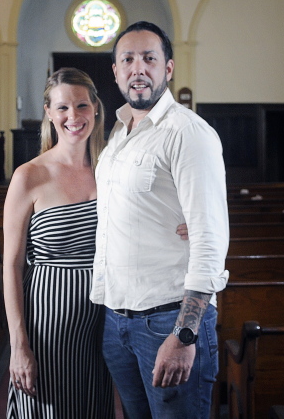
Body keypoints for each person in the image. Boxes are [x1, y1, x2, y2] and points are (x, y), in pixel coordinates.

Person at [91, 21, 230, 419]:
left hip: (169, 319)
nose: (139, 69)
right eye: (128, 60)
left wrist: (185, 335)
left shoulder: (187, 132)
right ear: (115, 71)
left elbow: (209, 238)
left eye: (149, 59)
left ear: (168, 68)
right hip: (117, 320)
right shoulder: (117, 134)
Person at [2, 67, 115, 419]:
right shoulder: (29, 175)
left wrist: (185, 223)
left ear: (95, 108)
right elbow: (11, 265)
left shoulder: (112, 168)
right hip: (49, 323)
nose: (73, 116)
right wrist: (19, 343)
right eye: (63, 108)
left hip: (104, 319)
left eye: (81, 106)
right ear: (49, 113)